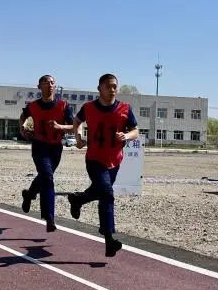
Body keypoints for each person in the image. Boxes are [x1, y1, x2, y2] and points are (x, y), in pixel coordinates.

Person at [52, 73, 138, 257]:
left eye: (115, 86)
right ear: (99, 88)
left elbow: (135, 130)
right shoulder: (89, 107)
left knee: (101, 194)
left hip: (115, 161)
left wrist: (126, 136)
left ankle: (78, 199)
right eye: (108, 86)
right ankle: (109, 239)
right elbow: (76, 121)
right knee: (106, 193)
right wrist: (78, 137)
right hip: (94, 159)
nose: (112, 89)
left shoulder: (125, 108)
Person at [19, 75, 73, 232]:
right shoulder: (33, 106)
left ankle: (29, 194)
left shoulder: (64, 105)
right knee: (48, 177)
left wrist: (59, 127)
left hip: (56, 148)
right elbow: (23, 116)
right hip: (39, 145)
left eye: (52, 83)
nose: (50, 85)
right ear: (39, 86)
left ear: (55, 86)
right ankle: (49, 217)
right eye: (46, 83)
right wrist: (23, 128)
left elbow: (72, 126)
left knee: (44, 176)